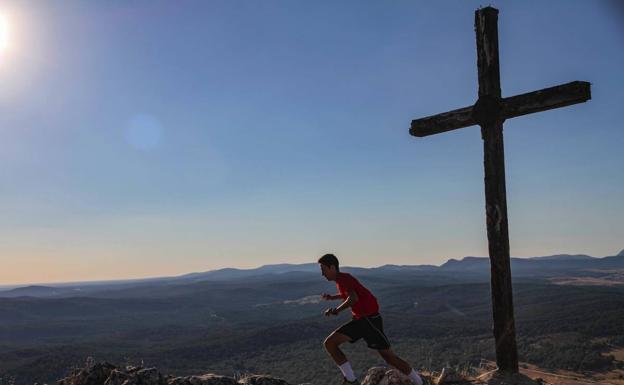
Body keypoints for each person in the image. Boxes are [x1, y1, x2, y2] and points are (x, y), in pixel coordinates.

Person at [318, 253, 423, 385]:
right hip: (361, 320)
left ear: (332, 267)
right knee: (330, 343)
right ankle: (350, 380)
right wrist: (332, 298)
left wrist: (337, 310)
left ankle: (420, 382)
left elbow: (353, 298)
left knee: (389, 357)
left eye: (323, 269)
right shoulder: (341, 280)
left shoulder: (344, 279)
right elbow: (349, 294)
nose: (322, 274)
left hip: (369, 320)